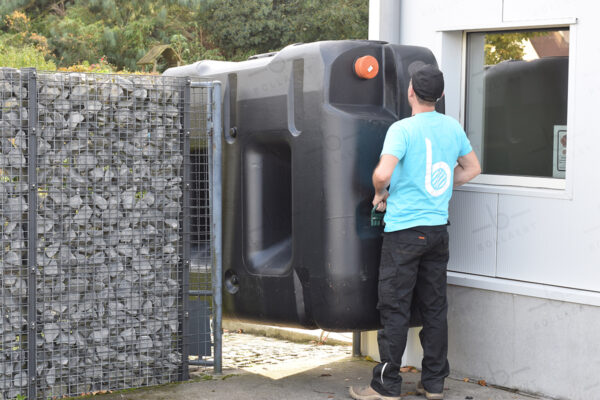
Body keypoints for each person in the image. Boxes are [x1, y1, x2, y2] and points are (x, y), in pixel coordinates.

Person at [349, 63, 481, 400]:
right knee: (434, 309)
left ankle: (386, 386)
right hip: (438, 232)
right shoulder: (452, 128)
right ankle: (434, 384)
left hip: (405, 233)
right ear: (440, 95)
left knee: (394, 308)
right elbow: (473, 168)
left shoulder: (402, 129)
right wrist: (439, 185)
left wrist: (381, 193)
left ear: (411, 92)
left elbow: (382, 174)